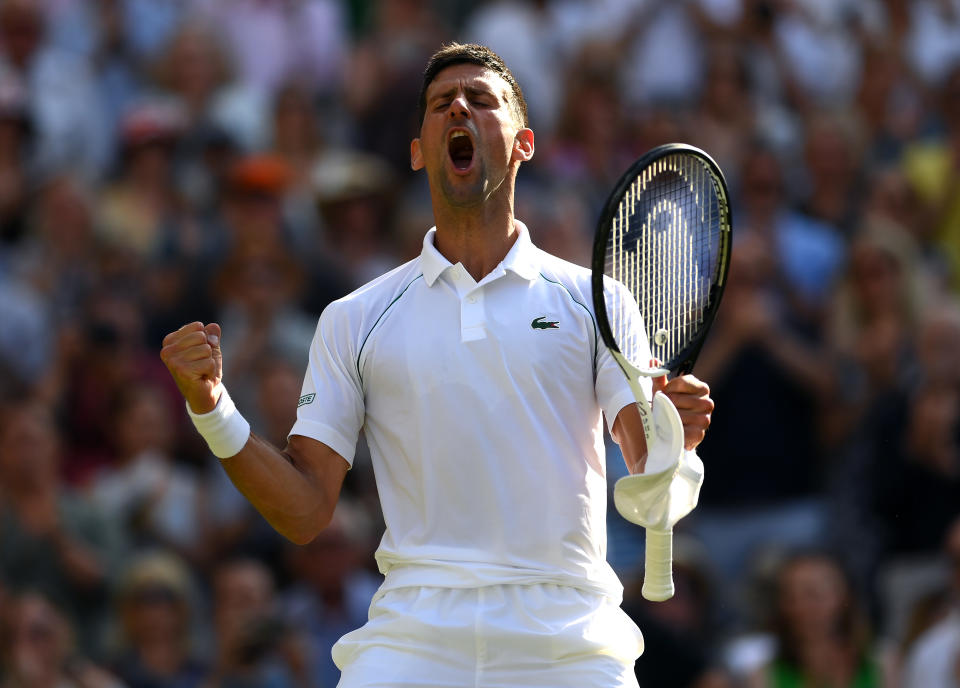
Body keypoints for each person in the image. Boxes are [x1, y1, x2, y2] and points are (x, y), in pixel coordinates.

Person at [160, 43, 714, 687]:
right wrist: (212, 408)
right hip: (413, 641)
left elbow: (649, 466)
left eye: (482, 100)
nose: (459, 106)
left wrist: (678, 435)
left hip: (567, 640)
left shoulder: (598, 302)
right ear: (420, 149)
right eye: (441, 103)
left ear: (523, 144)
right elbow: (306, 511)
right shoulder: (354, 317)